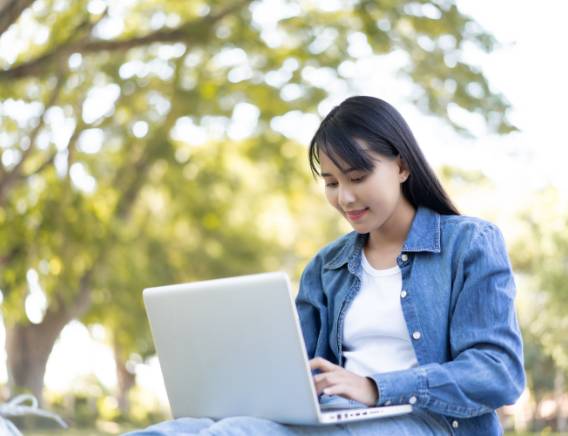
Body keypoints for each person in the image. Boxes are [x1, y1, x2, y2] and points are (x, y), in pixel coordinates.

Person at [125, 96, 525, 435]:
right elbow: (295, 372)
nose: (345, 198)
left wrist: (374, 386)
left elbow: (497, 372)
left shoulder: (469, 244)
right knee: (178, 430)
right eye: (331, 183)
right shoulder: (327, 266)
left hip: (429, 422)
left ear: (402, 167)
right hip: (338, 415)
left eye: (357, 176)